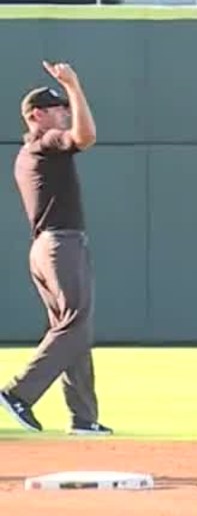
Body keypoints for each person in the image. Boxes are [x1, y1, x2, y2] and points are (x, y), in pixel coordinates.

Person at [0, 62, 111, 436]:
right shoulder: (45, 143)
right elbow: (86, 137)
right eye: (58, 107)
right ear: (36, 115)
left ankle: (83, 417)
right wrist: (75, 86)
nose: (64, 111)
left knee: (70, 328)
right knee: (76, 326)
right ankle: (18, 392)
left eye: (65, 104)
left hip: (46, 247)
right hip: (60, 243)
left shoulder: (28, 153)